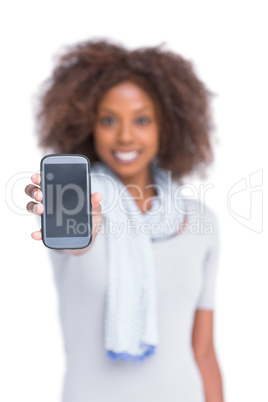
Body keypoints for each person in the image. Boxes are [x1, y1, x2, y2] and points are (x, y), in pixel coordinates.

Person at [25, 39, 224, 402]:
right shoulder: (79, 209)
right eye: (109, 120)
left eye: (142, 119)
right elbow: (75, 246)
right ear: (89, 126)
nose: (126, 135)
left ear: (168, 126)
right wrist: (81, 229)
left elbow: (204, 353)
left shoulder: (200, 221)